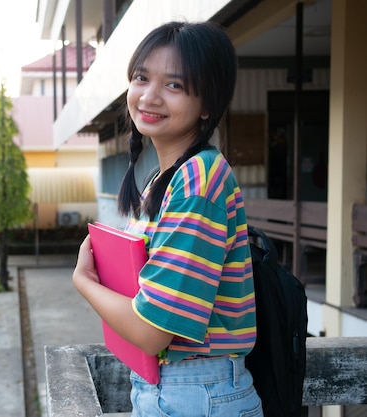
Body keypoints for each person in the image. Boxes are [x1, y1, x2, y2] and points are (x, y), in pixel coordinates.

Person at [72, 21, 262, 416]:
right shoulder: (167, 178)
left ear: (208, 104)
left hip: (197, 394)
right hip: (177, 391)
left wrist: (84, 282)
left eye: (173, 85)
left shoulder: (198, 178)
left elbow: (151, 330)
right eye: (141, 78)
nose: (149, 96)